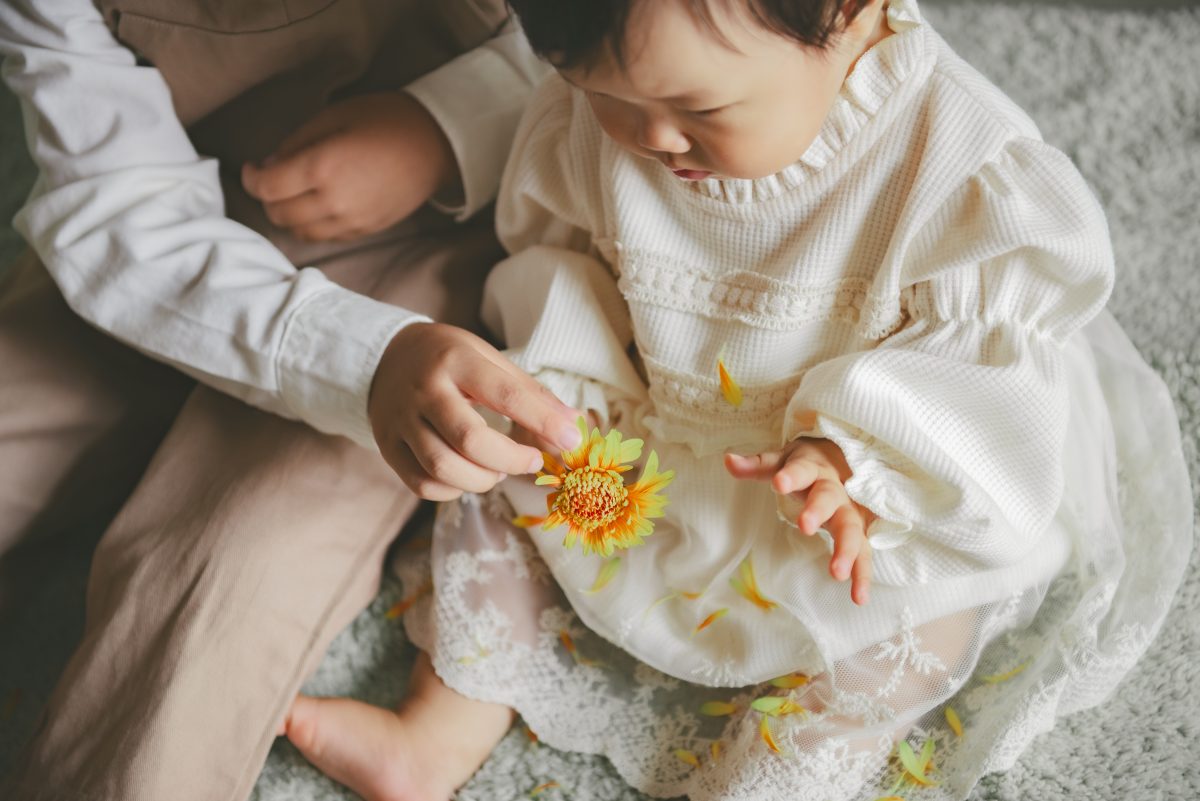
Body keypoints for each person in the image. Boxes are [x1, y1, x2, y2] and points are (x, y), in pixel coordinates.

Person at [275, 0, 1195, 800]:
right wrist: (569, 391)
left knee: (914, 631)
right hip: (661, 423)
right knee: (504, 471)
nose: (653, 142)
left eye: (699, 109)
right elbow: (568, 264)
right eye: (605, 95)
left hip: (858, 491)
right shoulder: (602, 120)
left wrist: (855, 462)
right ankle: (441, 722)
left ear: (851, 10)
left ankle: (769, 777)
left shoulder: (955, 167)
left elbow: (976, 370)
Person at [0, 1, 570, 799]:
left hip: (429, 259)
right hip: (163, 232)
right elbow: (114, 204)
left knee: (214, 585)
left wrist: (445, 125)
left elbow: (628, 50)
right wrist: (340, 355)